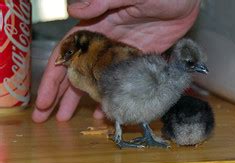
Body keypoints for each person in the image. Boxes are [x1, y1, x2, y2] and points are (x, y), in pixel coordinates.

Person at [32, 0, 201, 123]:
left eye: (68, 53)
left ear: (81, 48)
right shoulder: (92, 64)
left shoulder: (102, 63)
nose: (62, 60)